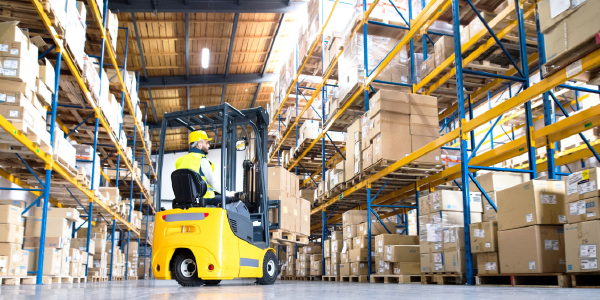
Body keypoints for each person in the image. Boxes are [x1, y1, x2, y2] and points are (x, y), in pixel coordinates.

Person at [175, 130, 234, 206]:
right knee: (232, 200)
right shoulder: (202, 159)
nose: (208, 145)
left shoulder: (179, 160)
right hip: (204, 198)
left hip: (185, 200)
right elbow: (213, 183)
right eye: (206, 143)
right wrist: (229, 193)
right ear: (199, 145)